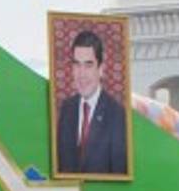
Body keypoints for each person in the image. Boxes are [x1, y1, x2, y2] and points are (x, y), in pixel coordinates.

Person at [55, 29, 128, 176]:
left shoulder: (117, 115)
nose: (81, 74)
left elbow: (120, 175)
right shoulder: (66, 109)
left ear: (100, 69)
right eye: (77, 64)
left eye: (88, 65)